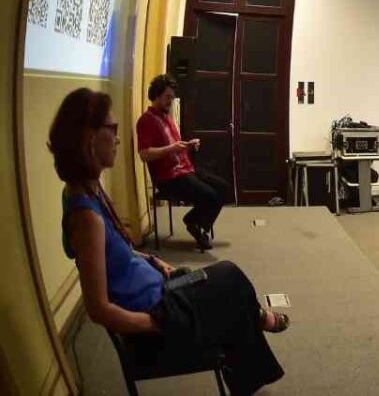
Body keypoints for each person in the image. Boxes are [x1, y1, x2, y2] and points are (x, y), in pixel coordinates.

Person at [55, 88, 285, 394]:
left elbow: (117, 252)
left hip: (160, 290)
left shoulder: (85, 189)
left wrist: (153, 260)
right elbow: (98, 309)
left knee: (230, 287)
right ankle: (259, 322)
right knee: (230, 281)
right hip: (157, 312)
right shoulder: (86, 218)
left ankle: (254, 336)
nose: (118, 138)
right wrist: (156, 322)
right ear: (89, 139)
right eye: (112, 130)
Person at [136, 74, 228, 250]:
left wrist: (188, 145)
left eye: (172, 97)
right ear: (156, 95)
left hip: (185, 169)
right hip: (168, 178)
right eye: (167, 97)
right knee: (210, 196)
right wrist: (172, 149)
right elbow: (144, 154)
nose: (170, 101)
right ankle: (194, 223)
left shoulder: (166, 118)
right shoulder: (146, 121)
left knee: (223, 187)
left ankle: (195, 222)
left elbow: (175, 147)